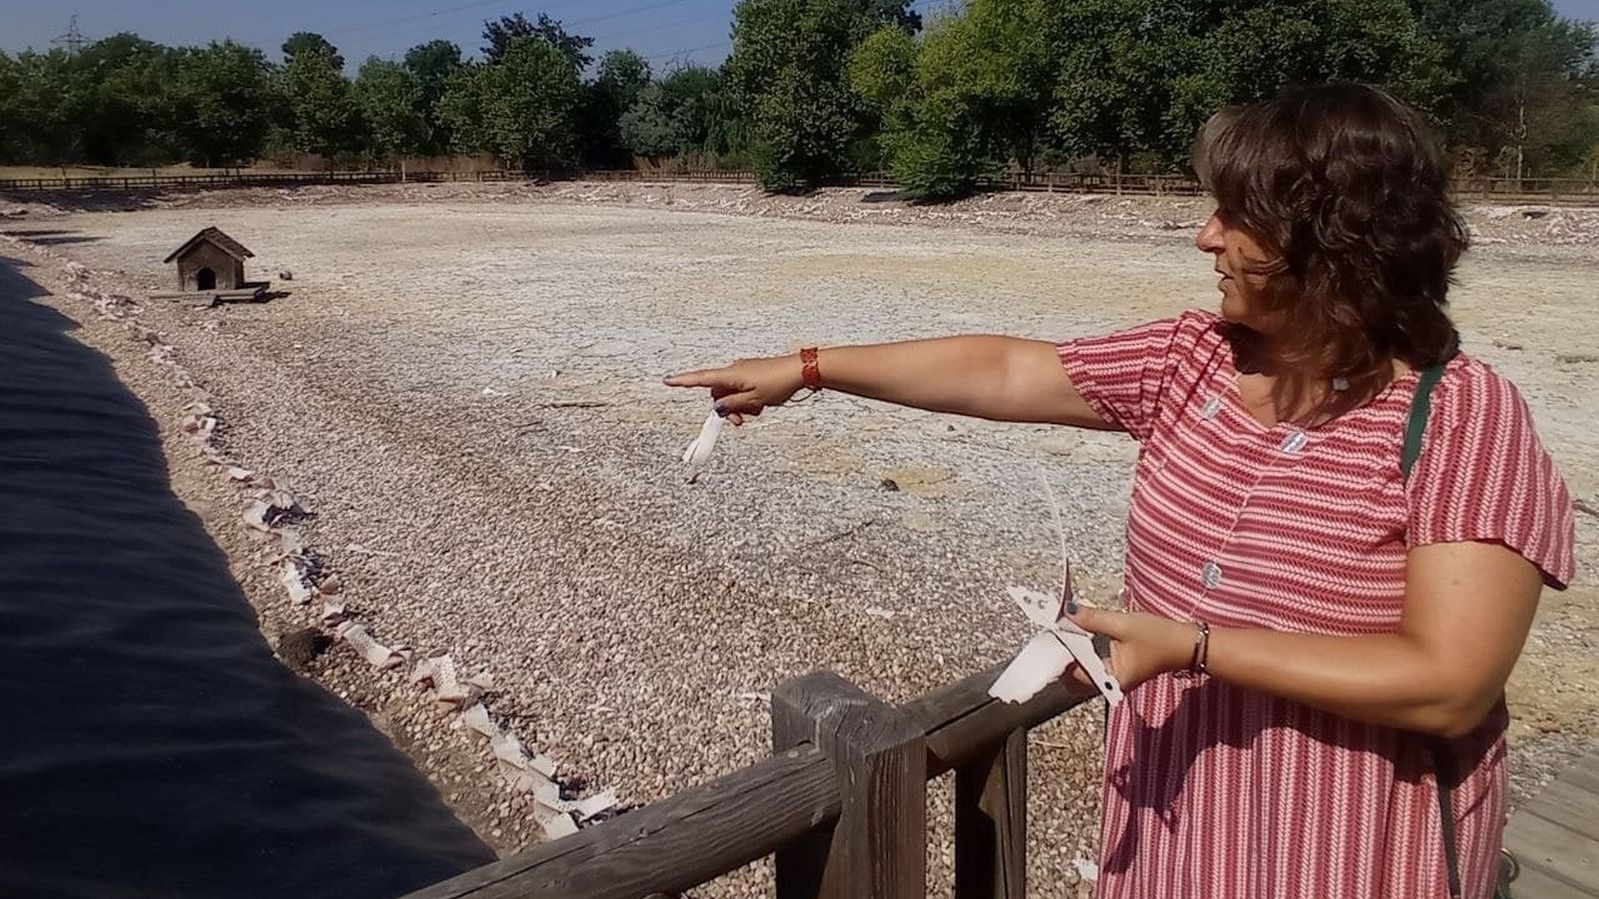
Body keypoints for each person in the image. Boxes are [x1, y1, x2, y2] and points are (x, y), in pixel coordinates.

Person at [665, 83, 1575, 899]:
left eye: (1235, 216)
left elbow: (1448, 684)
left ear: (1330, 243)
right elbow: (1008, 370)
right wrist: (809, 367)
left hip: (1350, 847)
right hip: (1177, 832)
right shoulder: (1194, 357)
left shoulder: (1460, 415)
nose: (1203, 235)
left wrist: (1193, 645)